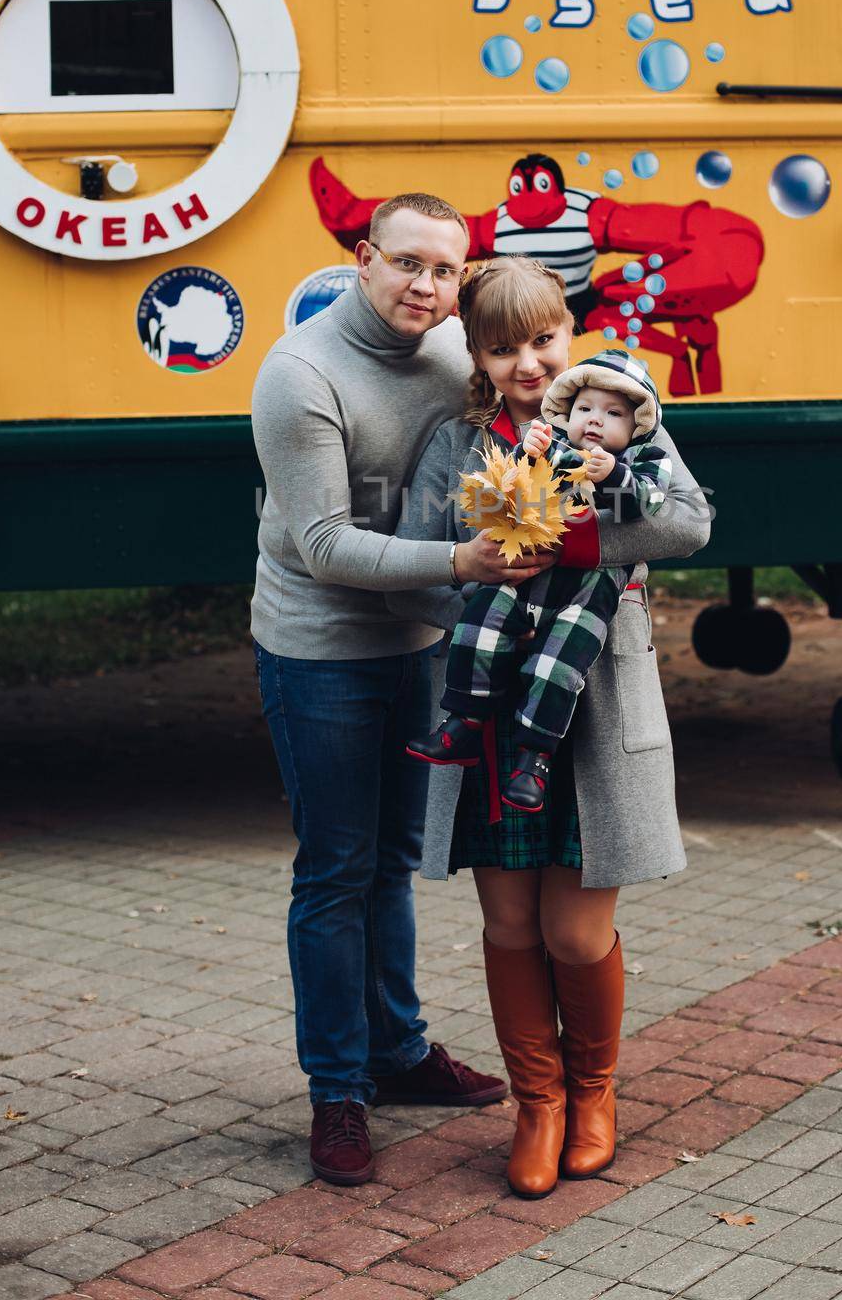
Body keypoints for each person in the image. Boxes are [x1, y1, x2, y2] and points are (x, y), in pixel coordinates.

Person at [250, 194, 561, 1188]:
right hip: (321, 648)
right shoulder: (298, 373)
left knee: (394, 860)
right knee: (335, 869)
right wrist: (466, 563)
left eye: (445, 271)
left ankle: (397, 1050)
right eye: (406, 263)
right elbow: (323, 543)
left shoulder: (447, 355)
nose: (425, 286)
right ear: (361, 258)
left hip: (422, 638)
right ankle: (337, 1088)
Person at [385, 256, 712, 1199]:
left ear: (568, 333)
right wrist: (481, 577)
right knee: (510, 920)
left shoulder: (624, 413)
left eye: (542, 340)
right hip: (490, 707)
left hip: (592, 703)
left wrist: (569, 536)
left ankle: (594, 1091)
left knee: (574, 932)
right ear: (475, 357)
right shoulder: (458, 442)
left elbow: (686, 525)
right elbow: (422, 568)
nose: (527, 363)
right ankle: (540, 1103)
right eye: (501, 348)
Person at [406, 348, 674, 815]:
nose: (594, 421)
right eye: (586, 409)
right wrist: (525, 457)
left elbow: (649, 507)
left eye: (613, 414)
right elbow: (509, 492)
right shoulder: (552, 444)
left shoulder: (644, 456)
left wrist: (614, 475)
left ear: (636, 424)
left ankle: (535, 758)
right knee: (479, 625)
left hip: (590, 592)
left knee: (556, 666)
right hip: (527, 580)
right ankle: (464, 720)